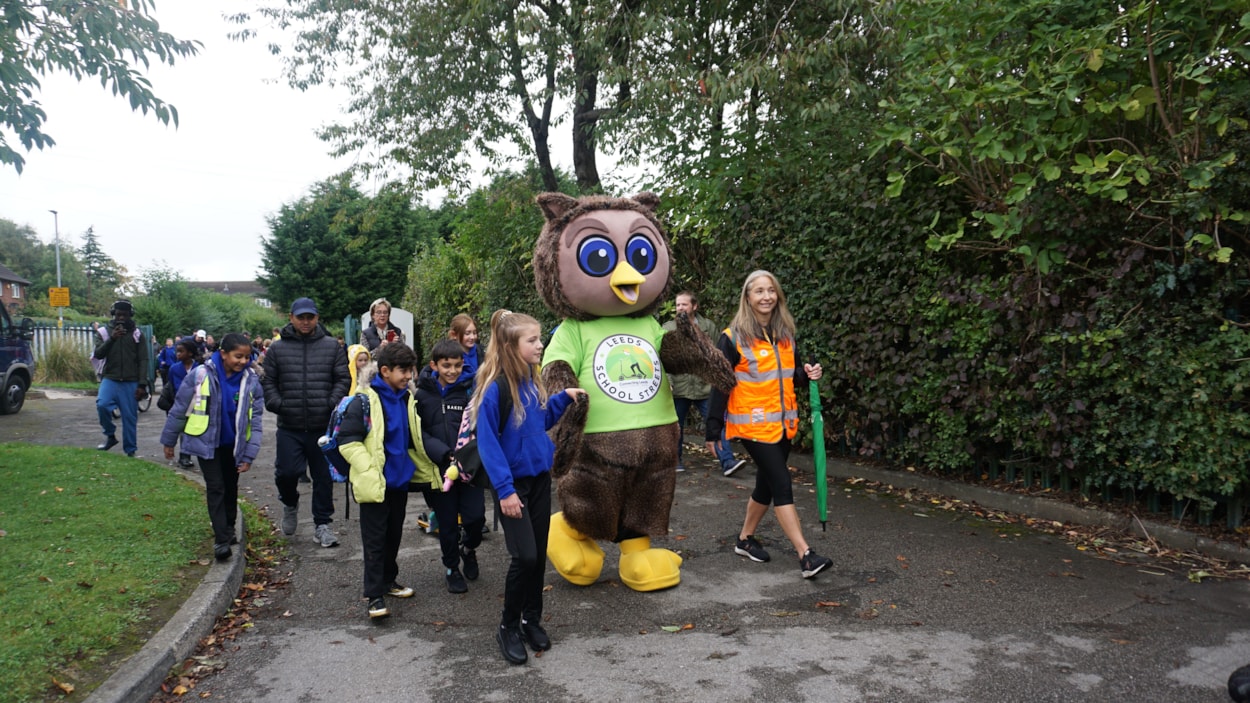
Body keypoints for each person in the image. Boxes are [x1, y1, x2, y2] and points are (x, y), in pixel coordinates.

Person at [473, 311, 586, 664]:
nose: (541, 345)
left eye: (540, 339)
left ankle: (529, 619)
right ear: (511, 346)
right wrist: (505, 491)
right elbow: (488, 444)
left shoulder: (532, 380)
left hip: (538, 481)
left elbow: (540, 421)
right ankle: (507, 626)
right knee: (525, 556)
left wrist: (562, 399)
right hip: (513, 485)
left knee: (537, 557)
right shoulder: (495, 389)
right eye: (533, 340)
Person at [705, 270, 833, 579]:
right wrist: (712, 429)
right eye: (759, 291)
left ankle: (744, 539)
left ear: (778, 296)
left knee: (765, 484)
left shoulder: (785, 333)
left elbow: (793, 376)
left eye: (771, 291)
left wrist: (808, 374)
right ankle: (805, 554)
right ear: (747, 298)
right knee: (781, 483)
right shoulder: (732, 336)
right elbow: (720, 384)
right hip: (752, 427)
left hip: (782, 426)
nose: (766, 296)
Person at [337, 342, 439, 619]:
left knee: (393, 535)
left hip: (398, 481)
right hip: (375, 483)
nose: (409, 376)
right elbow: (347, 442)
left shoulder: (407, 397)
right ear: (384, 371)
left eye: (411, 370)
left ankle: (388, 580)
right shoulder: (365, 400)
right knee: (374, 539)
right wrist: (370, 470)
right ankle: (374, 595)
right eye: (403, 371)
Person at [160, 333, 264, 561]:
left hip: (234, 446)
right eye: (238, 356)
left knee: (230, 486)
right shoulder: (200, 375)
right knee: (216, 487)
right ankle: (221, 539)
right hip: (207, 444)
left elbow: (255, 421)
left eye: (247, 357)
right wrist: (169, 440)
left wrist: (250, 453)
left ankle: (229, 527)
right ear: (223, 354)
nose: (243, 362)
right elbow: (179, 408)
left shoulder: (251, 382)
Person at [262, 297, 351, 548]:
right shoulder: (278, 349)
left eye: (309, 317)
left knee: (323, 478)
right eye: (300, 317)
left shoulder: (331, 346)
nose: (305, 321)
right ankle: (290, 503)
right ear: (291, 317)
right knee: (286, 473)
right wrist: (278, 403)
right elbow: (268, 381)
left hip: (322, 426)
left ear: (317, 318)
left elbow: (342, 379)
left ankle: (322, 524)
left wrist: (330, 402)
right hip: (289, 426)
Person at [415, 339, 483, 594]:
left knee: (475, 518)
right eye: (446, 366)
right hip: (439, 470)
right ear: (434, 365)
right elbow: (418, 432)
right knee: (447, 523)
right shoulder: (421, 395)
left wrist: (467, 455)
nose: (452, 371)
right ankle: (452, 567)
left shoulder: (469, 392)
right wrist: (443, 454)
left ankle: (469, 548)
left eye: (457, 365)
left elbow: (478, 426)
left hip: (469, 468)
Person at [662, 291, 745, 476]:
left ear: (694, 306)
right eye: (677, 305)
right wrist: (667, 381)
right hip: (679, 386)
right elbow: (662, 359)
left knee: (717, 423)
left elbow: (717, 354)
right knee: (675, 427)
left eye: (684, 305)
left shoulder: (708, 326)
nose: (680, 309)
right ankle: (676, 462)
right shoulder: (668, 328)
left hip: (705, 386)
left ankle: (728, 462)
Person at [92, 300, 149, 458]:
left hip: (131, 381)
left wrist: (142, 384)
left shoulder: (137, 334)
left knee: (129, 417)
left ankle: (130, 451)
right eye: (118, 315)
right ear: (113, 314)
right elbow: (98, 354)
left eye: (124, 315)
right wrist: (112, 339)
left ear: (130, 315)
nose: (121, 318)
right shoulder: (103, 332)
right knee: (102, 405)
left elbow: (143, 359)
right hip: (110, 378)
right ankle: (110, 436)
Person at [166, 337, 202, 468]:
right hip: (180, 403)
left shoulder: (199, 368)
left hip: (197, 402)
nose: (178, 354)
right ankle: (184, 456)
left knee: (193, 430)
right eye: (177, 351)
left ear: (190, 353)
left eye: (181, 351)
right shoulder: (174, 369)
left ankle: (195, 453)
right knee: (183, 430)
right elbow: (170, 384)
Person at [448, 313, 480, 380]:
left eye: (474, 333)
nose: (472, 337)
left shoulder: (481, 353)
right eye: (467, 333)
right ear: (454, 335)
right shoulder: (447, 354)